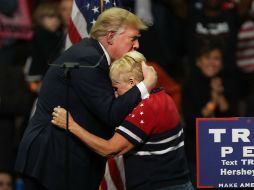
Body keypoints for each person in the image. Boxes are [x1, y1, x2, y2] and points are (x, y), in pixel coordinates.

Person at [15, 7, 157, 190]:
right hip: (52, 162)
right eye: (133, 38)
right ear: (111, 36)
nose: (137, 45)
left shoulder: (92, 55)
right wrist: (145, 85)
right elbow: (111, 114)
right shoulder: (88, 59)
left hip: (63, 162)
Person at [52, 51, 193, 190]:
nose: (114, 95)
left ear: (132, 82)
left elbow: (110, 149)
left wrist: (70, 125)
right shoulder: (164, 97)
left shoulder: (145, 109)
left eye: (115, 88)